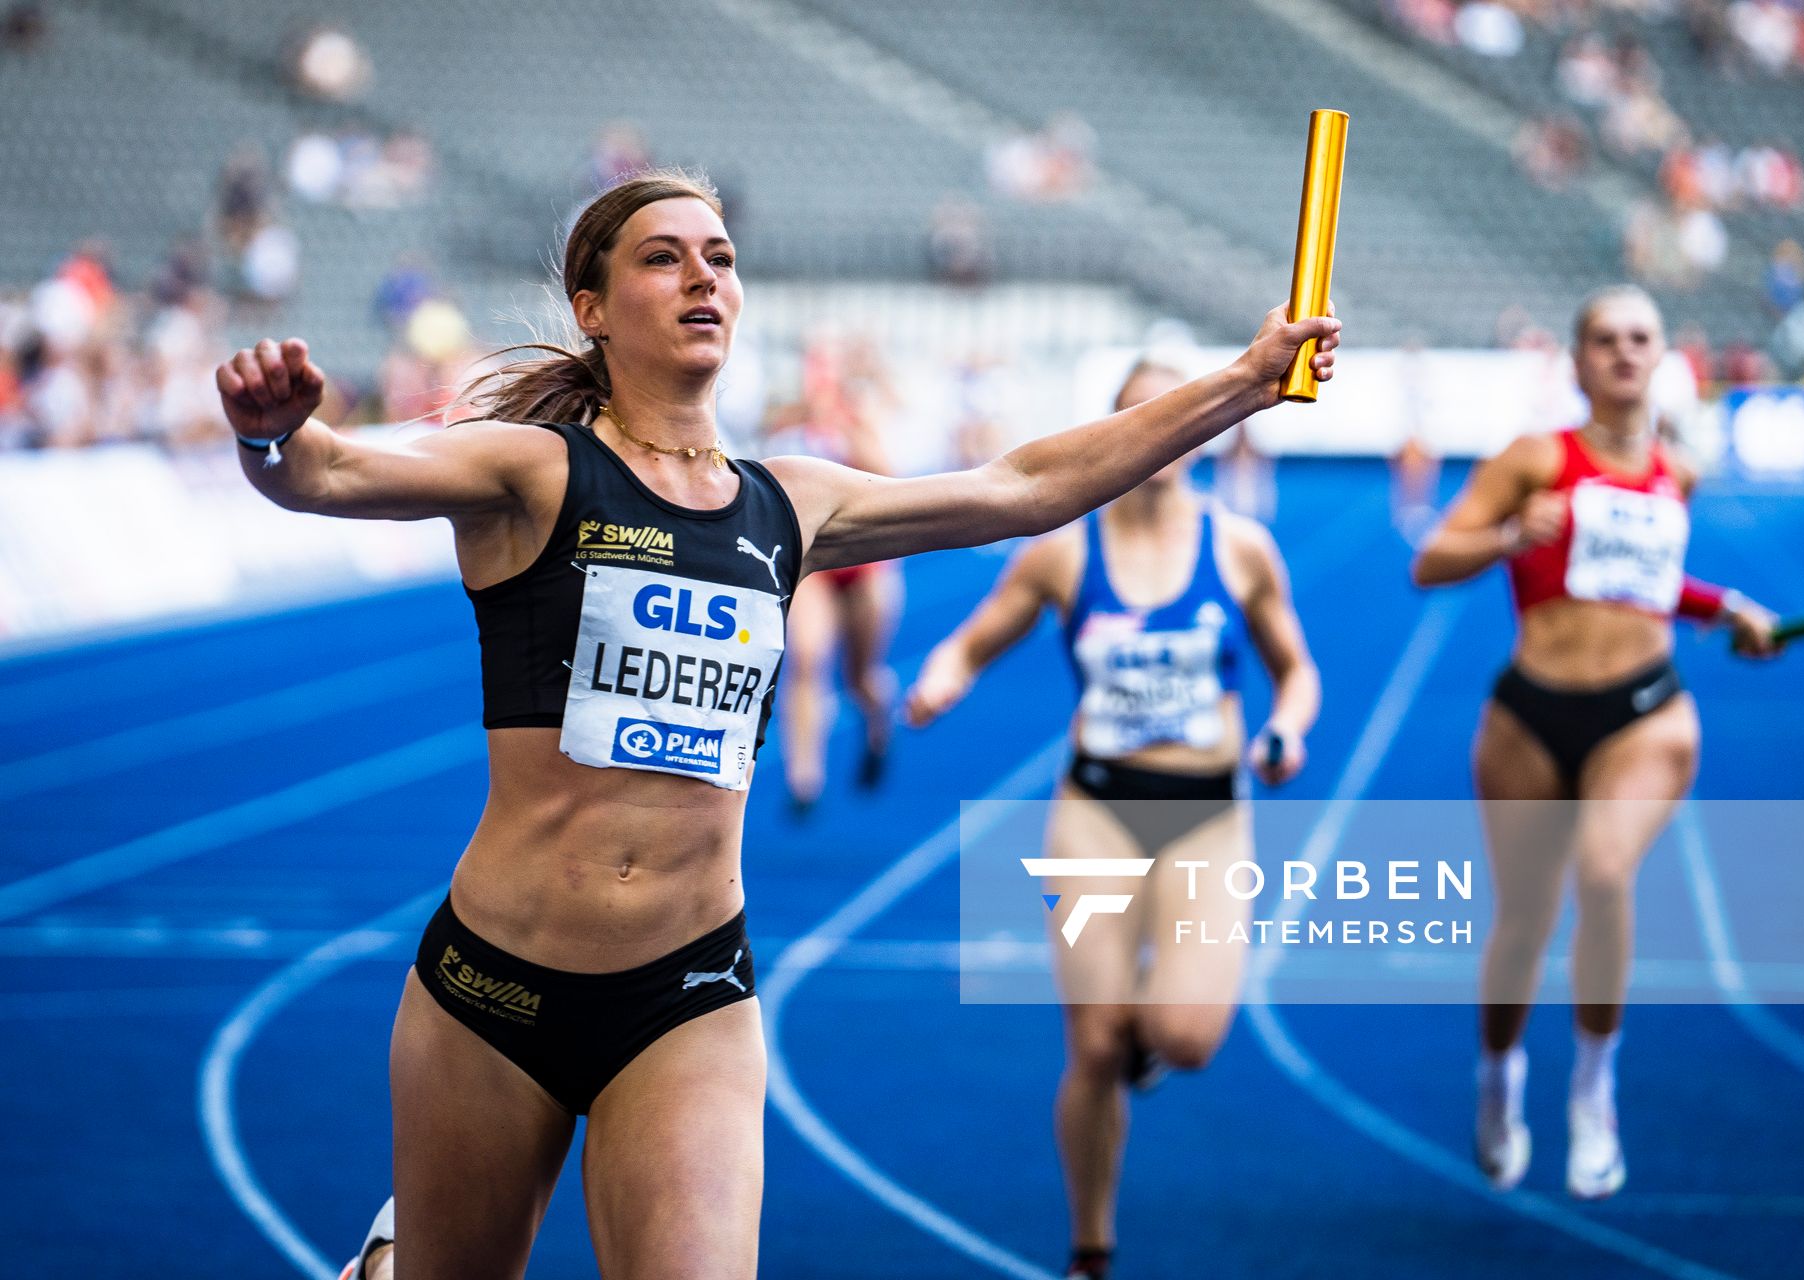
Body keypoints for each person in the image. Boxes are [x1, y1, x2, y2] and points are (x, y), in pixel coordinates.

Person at [213, 170, 1340, 1280]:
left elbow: (1025, 485)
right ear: (594, 310)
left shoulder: (789, 502)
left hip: (688, 993)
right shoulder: (536, 472)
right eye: (665, 256)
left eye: (722, 258)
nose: (704, 275)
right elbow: (333, 470)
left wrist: (1245, 380)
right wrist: (272, 438)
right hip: (493, 990)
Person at [904, 359, 1321, 1280]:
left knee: (1186, 1038)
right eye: (1141, 416)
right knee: (1091, 1046)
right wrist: (944, 677)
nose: (1163, 436)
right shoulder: (1064, 549)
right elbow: (977, 637)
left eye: (1178, 418)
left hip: (1208, 814)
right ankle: (1091, 1245)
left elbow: (1297, 668)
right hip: (1097, 809)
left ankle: (1154, 1045)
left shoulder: (1241, 548)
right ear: (1118, 431)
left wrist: (1287, 727)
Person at [1410, 284, 1779, 1201]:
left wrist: (1726, 607)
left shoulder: (1675, 470)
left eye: (1639, 338)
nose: (1622, 353)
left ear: (1663, 358)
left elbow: (1642, 579)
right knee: (1524, 922)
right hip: (1531, 713)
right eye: (1604, 339)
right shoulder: (1534, 459)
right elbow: (1429, 562)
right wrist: (1504, 534)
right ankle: (1499, 1079)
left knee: (1606, 875)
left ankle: (1593, 1085)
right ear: (1575, 360)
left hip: (1645, 711)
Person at [765, 337, 904, 808]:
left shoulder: (857, 416)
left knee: (861, 676)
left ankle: (878, 727)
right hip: (813, 560)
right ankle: (805, 777)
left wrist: (846, 427)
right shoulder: (786, 417)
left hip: (864, 561)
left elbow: (890, 477)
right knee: (806, 658)